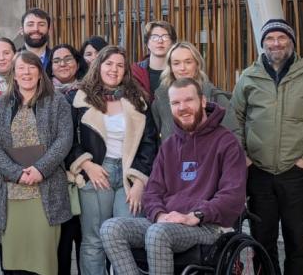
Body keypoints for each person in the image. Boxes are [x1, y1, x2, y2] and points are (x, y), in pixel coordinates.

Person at [100, 77, 248, 275]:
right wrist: (160, 215)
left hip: (208, 226)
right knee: (110, 228)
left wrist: (195, 216)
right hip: (167, 223)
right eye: (176, 103)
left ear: (203, 101)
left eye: (188, 100)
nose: (182, 107)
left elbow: (232, 196)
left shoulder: (226, 143)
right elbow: (152, 192)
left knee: (157, 233)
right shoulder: (169, 145)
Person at [232, 19, 303, 275]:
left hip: (296, 173)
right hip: (259, 172)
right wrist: (244, 157)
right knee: (262, 240)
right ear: (263, 43)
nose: (276, 43)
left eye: (281, 37)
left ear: (291, 41)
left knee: (297, 240)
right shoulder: (248, 77)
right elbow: (234, 120)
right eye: (270, 38)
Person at [66, 46, 159, 275]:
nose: (113, 69)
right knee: (94, 240)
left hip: (129, 176)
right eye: (109, 64)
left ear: (125, 70)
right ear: (98, 66)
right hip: (97, 173)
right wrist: (87, 165)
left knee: (124, 242)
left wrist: (140, 182)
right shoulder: (77, 98)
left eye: (119, 65)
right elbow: (67, 140)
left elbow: (149, 144)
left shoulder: (138, 100)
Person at [0, 51, 75, 275]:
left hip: (45, 192)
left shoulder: (56, 102)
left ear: (40, 72)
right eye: (21, 68)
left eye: (31, 67)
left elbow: (65, 139)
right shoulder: (0, 105)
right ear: (13, 74)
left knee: (44, 260)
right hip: (10, 194)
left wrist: (40, 169)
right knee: (16, 262)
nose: (26, 72)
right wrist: (16, 173)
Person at [48, 43, 87, 274]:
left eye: (67, 58)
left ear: (77, 62)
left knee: (85, 241)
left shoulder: (90, 92)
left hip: (85, 174)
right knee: (60, 246)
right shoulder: (44, 95)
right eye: (56, 60)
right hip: (56, 177)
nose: (62, 64)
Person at [151, 42, 236, 140]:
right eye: (176, 63)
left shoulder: (215, 97)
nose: (182, 68)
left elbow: (233, 137)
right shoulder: (160, 100)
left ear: (197, 64)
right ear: (170, 67)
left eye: (188, 62)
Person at [131, 21, 177, 101]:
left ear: (172, 42)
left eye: (165, 37)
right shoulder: (134, 72)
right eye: (154, 37)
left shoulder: (180, 70)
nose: (160, 41)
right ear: (147, 43)